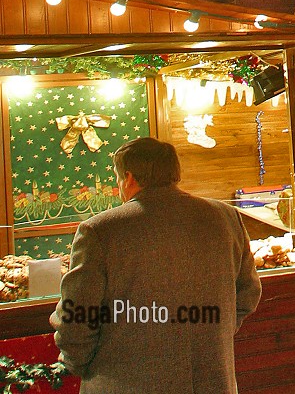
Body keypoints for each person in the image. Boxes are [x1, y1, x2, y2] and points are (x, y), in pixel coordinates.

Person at [51, 136, 262, 394]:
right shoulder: (227, 217)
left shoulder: (99, 231)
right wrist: (214, 333)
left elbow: (77, 318)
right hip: (213, 380)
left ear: (128, 178)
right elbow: (249, 292)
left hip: (123, 382)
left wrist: (78, 362)